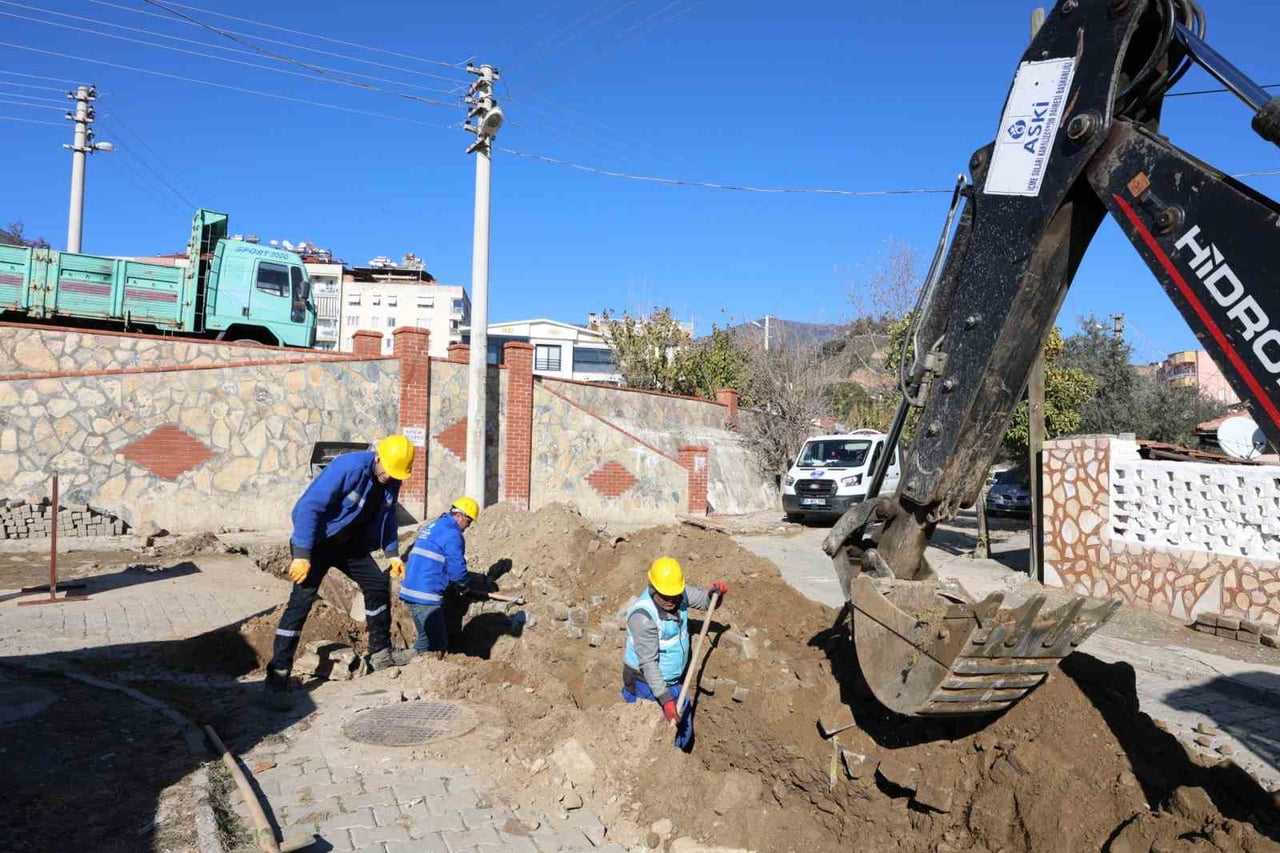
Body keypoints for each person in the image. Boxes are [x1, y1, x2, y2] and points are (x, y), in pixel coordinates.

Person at [264, 435, 417, 707]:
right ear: (378, 457)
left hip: (350, 546)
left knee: (377, 585)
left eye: (395, 474)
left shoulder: (392, 477)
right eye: (387, 471)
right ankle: (278, 673)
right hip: (318, 543)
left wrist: (392, 554)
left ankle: (381, 654)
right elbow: (308, 507)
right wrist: (301, 555)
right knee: (300, 603)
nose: (388, 478)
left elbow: (389, 517)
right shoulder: (348, 467)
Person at [621, 556, 728, 752]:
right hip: (644, 682)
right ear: (653, 587)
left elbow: (706, 602)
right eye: (665, 595)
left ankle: (680, 762)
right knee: (651, 738)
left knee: (682, 724)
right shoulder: (643, 617)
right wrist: (665, 699)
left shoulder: (678, 593)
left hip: (673, 680)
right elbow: (649, 664)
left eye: (674, 594)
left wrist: (715, 594)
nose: (671, 600)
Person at [394, 496, 479, 657]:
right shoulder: (453, 534)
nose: (467, 528)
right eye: (468, 522)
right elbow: (457, 569)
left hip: (410, 590)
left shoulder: (434, 525)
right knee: (437, 645)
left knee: (425, 641)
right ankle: (393, 662)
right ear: (460, 516)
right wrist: (463, 584)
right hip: (425, 596)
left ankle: (398, 662)